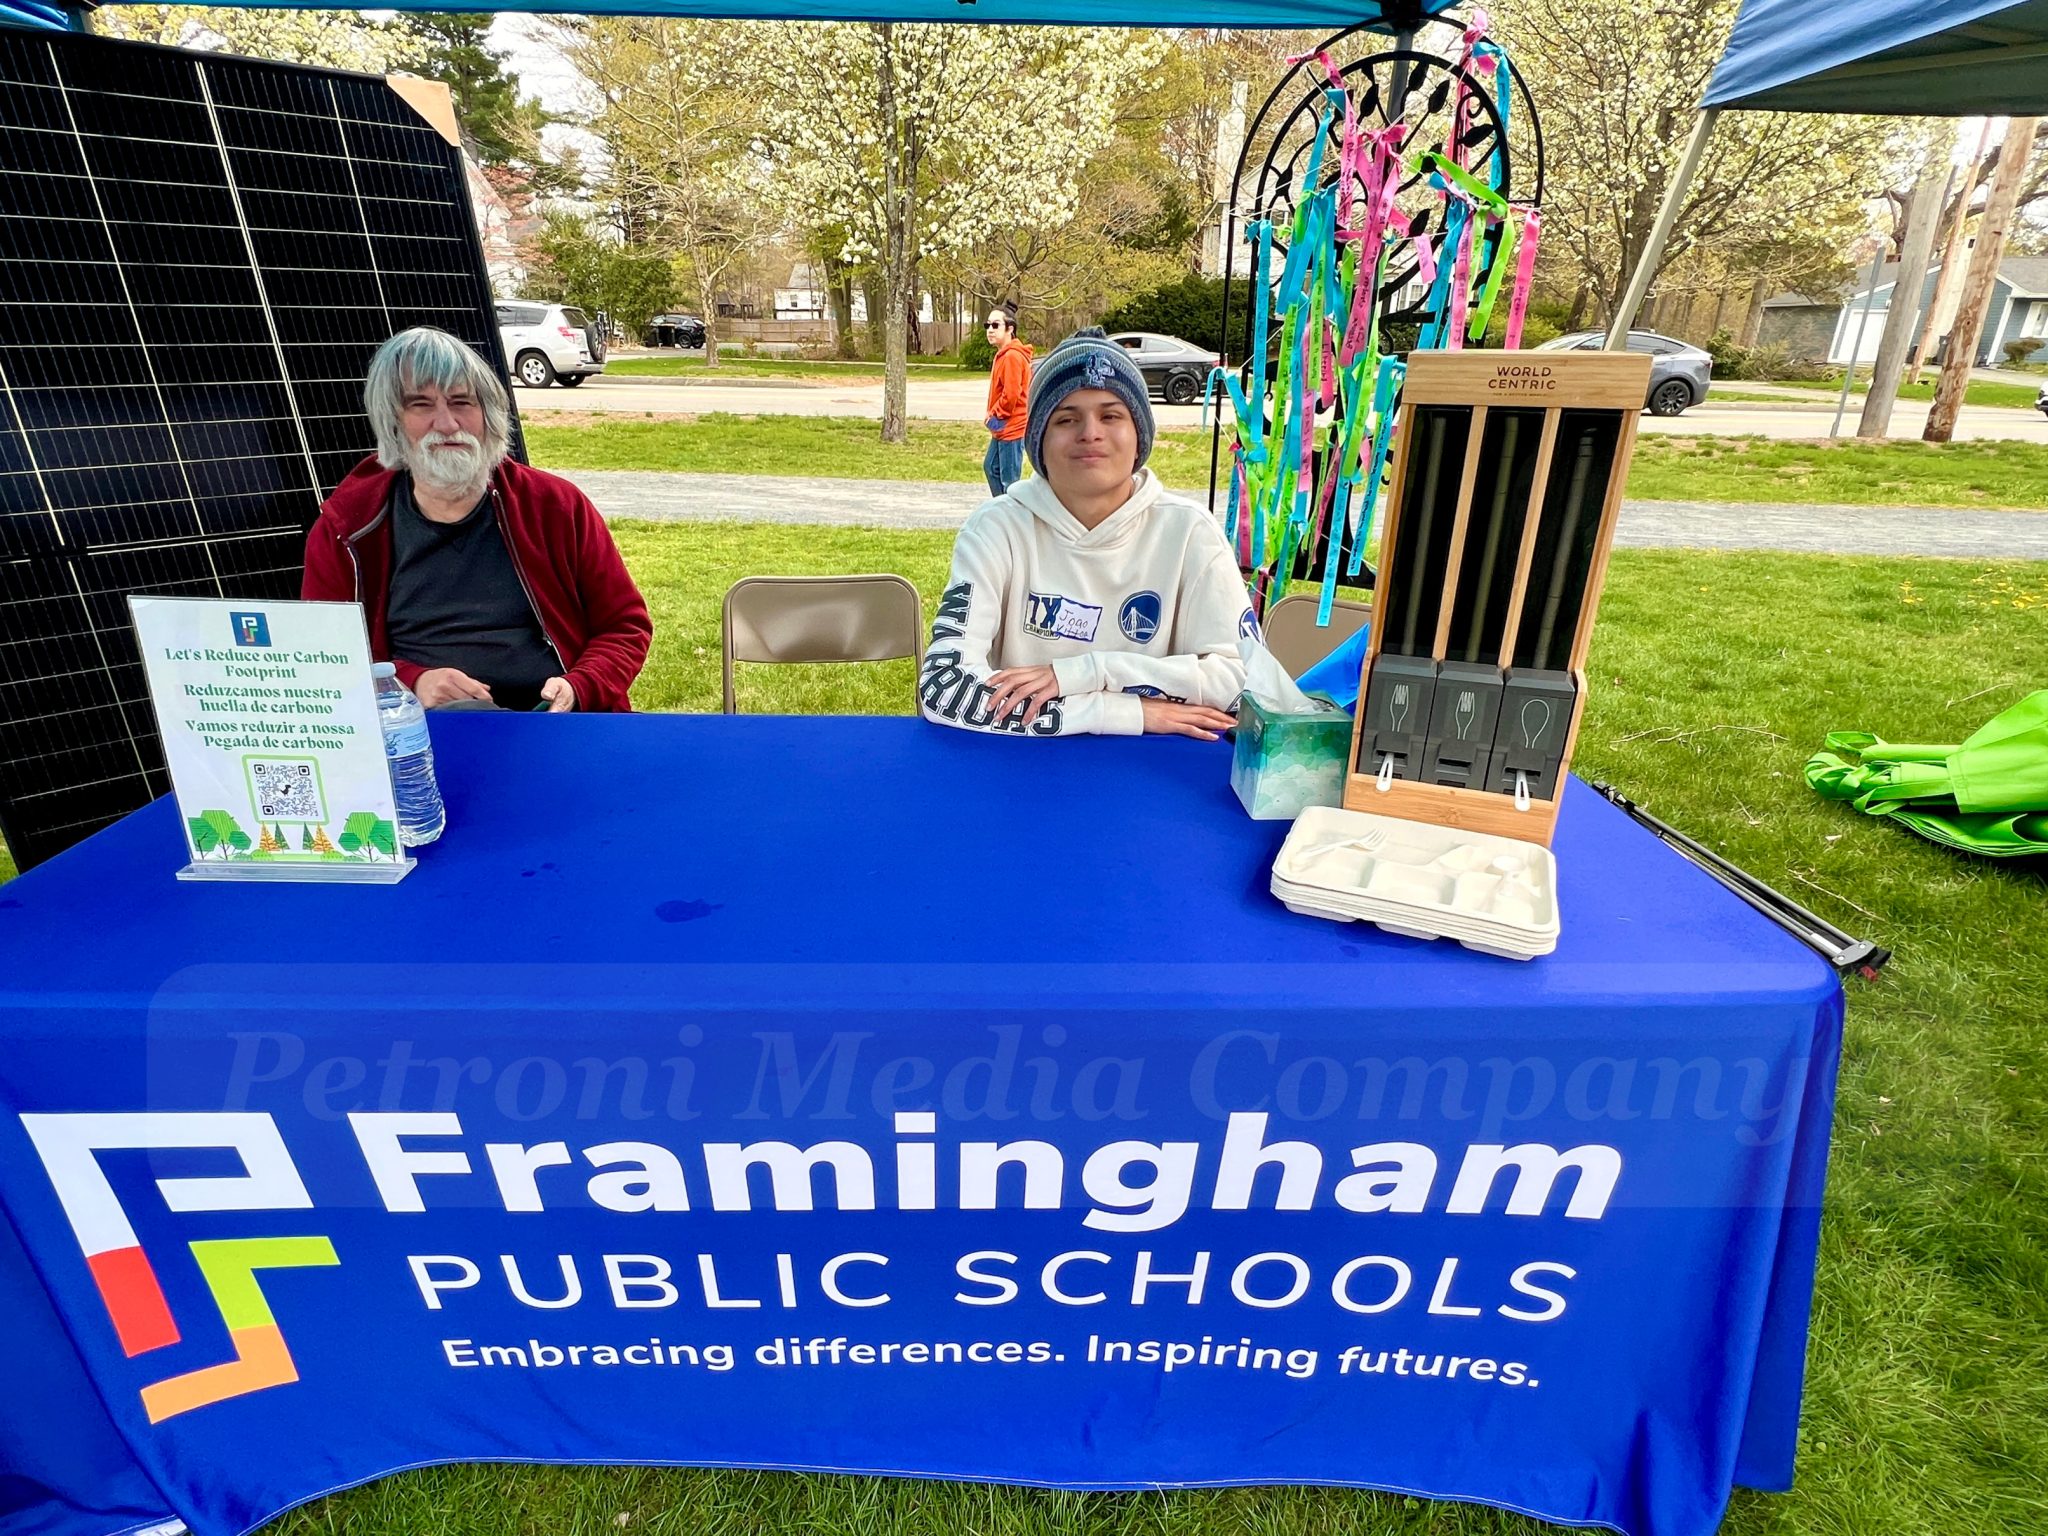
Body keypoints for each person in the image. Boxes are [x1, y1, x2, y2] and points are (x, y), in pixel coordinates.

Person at [922, 327, 1252, 740]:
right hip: (1019, 765)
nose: (1090, 433)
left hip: (1153, 771)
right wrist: (1124, 712)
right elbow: (943, 687)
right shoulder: (996, 529)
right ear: (1039, 442)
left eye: (1111, 415)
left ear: (1139, 437)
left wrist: (1090, 672)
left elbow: (1244, 685)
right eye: (1066, 418)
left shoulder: (1190, 533)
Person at [303, 327, 651, 712]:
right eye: (421, 405)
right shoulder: (349, 528)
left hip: (553, 724)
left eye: (462, 402)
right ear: (393, 422)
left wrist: (580, 686)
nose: (447, 423)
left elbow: (624, 626)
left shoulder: (555, 506)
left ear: (488, 414)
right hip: (418, 730)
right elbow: (327, 660)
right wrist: (411, 680)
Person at [981, 303, 1032, 497]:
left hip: (1012, 426)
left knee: (1010, 481)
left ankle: (1013, 518)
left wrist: (995, 417)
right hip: (1003, 427)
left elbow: (1011, 396)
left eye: (996, 325)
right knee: (991, 467)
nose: (990, 330)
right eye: (988, 325)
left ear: (1010, 329)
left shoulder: (1012, 356)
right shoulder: (1003, 355)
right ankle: (1001, 510)